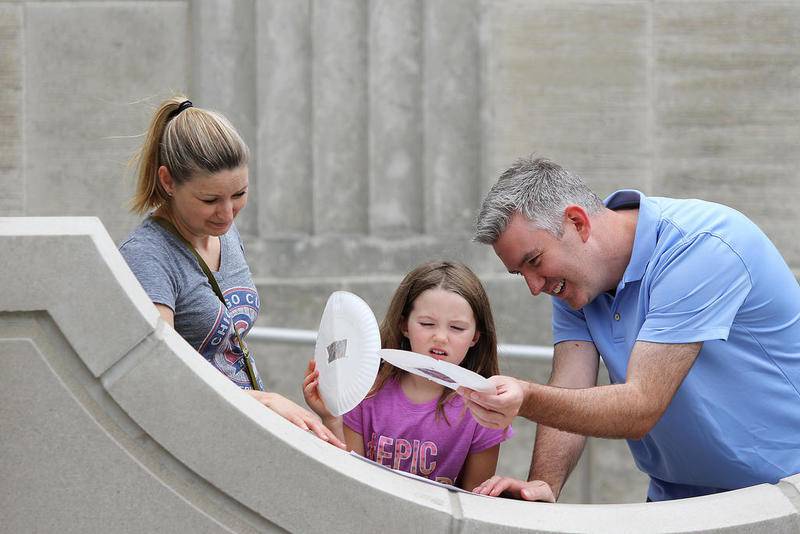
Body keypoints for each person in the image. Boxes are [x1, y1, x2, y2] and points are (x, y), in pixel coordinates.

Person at [463, 156, 800, 502]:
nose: (534, 287)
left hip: (782, 494)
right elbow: (568, 386)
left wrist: (525, 398)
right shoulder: (575, 287)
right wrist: (543, 485)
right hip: (678, 499)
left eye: (534, 262)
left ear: (577, 223)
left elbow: (641, 406)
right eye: (521, 274)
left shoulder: (700, 246)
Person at [119, 96, 344, 448]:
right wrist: (266, 401)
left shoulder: (223, 232)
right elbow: (160, 368)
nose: (226, 213)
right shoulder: (147, 257)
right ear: (167, 181)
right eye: (209, 200)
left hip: (240, 428)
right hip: (196, 442)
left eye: (239, 194)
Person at [303, 261, 514, 490]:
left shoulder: (484, 408)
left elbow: (476, 501)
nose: (441, 337)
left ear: (475, 336)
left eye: (457, 328)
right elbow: (349, 481)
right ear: (404, 324)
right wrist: (332, 417)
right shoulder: (365, 389)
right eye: (426, 323)